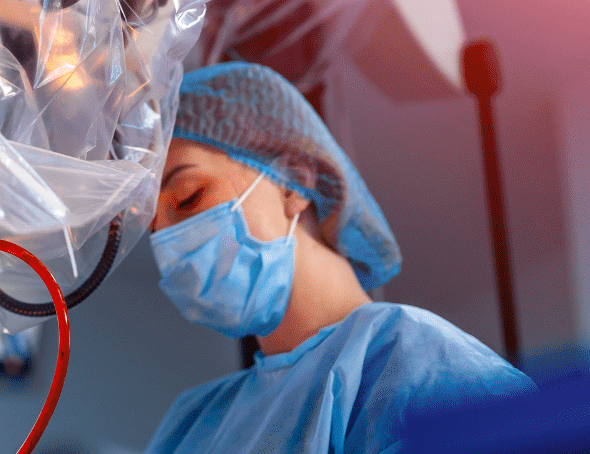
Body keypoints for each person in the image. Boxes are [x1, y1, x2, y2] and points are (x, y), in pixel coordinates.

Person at [145, 62, 532, 454]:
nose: (171, 242)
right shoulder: (193, 425)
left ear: (294, 179)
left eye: (189, 196)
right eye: (153, 230)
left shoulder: (420, 365)